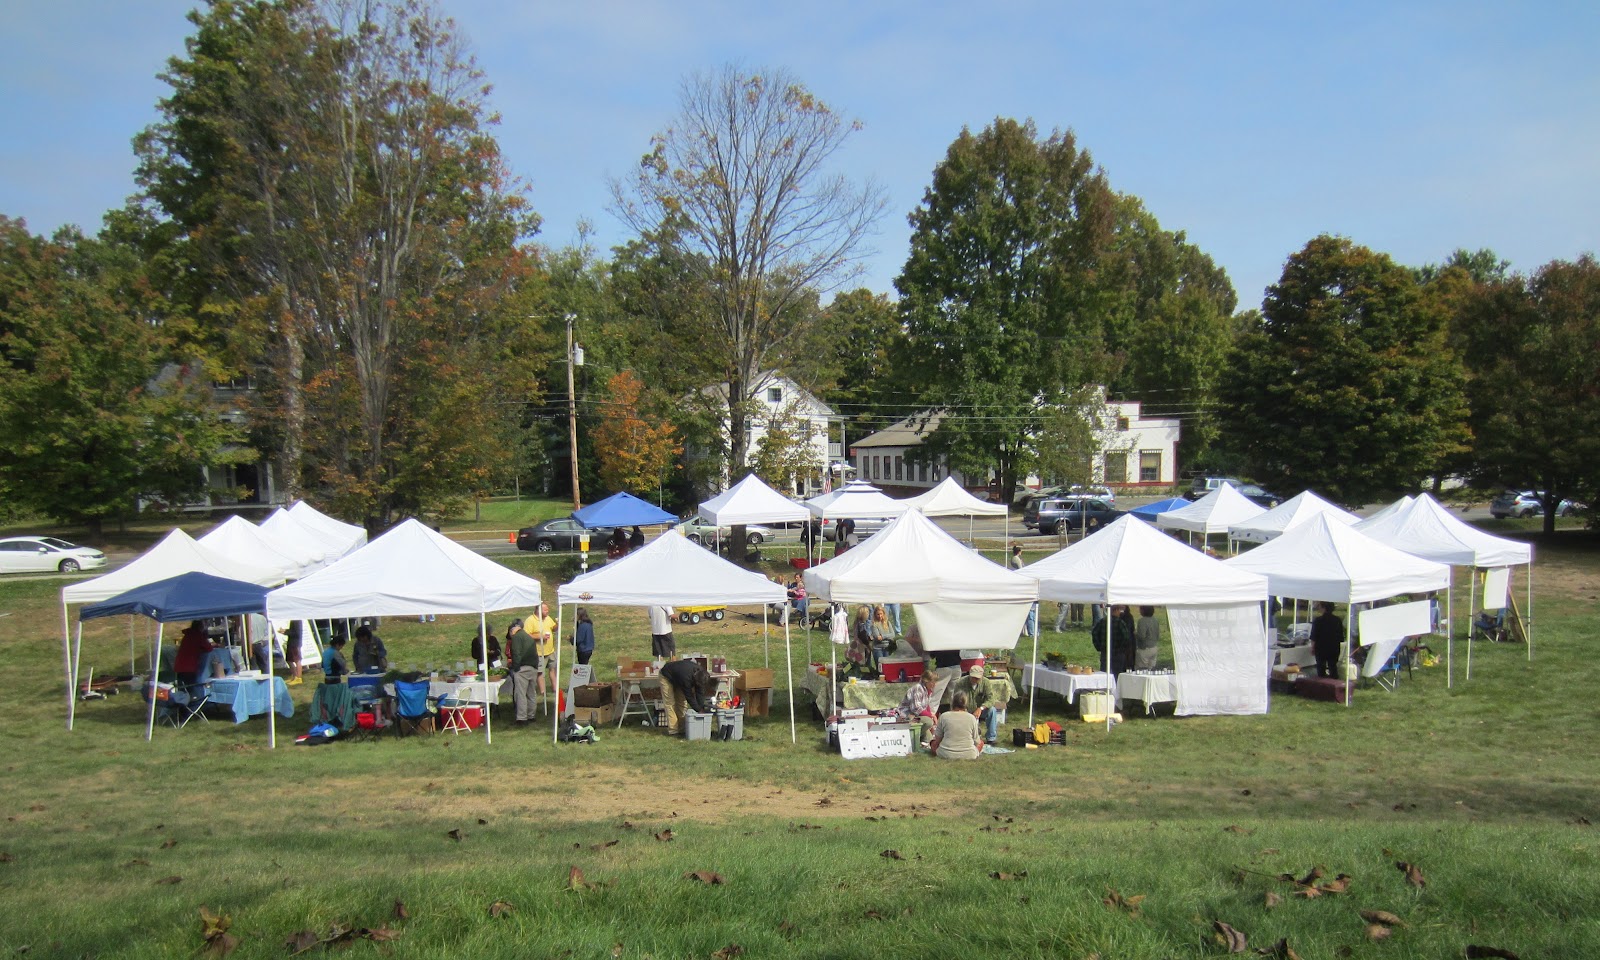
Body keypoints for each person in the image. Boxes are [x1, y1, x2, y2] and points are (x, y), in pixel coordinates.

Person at [659, 657, 714, 736]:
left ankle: (682, 728)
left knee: (681, 703)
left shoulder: (702, 676)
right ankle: (673, 731)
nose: (699, 686)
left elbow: (700, 693)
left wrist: (701, 707)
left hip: (678, 676)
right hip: (666, 676)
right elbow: (689, 696)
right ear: (695, 679)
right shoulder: (686, 678)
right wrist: (698, 710)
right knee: (670, 703)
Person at [951, 664, 1003, 744]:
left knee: (992, 710)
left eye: (977, 678)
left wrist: (981, 708)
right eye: (973, 677)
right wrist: (963, 710)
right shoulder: (960, 683)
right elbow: (956, 699)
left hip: (980, 709)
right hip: (964, 710)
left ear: (981, 676)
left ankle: (991, 738)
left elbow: (991, 699)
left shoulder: (986, 683)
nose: (975, 679)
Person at [930, 690, 984, 759]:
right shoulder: (971, 718)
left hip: (945, 753)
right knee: (981, 743)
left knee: (933, 743)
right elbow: (977, 741)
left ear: (953, 702)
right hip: (969, 754)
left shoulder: (944, 716)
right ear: (965, 703)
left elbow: (937, 739)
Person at [505, 618, 538, 723]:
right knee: (531, 693)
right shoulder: (528, 636)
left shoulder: (516, 638)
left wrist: (515, 668)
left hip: (522, 668)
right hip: (533, 667)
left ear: (513, 630)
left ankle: (522, 717)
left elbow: (516, 654)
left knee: (521, 694)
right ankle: (531, 715)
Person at [896, 671, 940, 747]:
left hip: (915, 715)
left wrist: (931, 715)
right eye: (933, 682)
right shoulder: (918, 688)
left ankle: (921, 740)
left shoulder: (927, 690)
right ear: (926, 681)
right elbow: (916, 708)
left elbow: (926, 706)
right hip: (907, 716)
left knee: (931, 740)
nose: (935, 684)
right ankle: (911, 738)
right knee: (928, 721)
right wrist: (931, 716)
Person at [531, 602, 557, 704]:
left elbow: (553, 628)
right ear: (538, 610)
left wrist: (557, 625)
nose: (547, 611)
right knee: (540, 672)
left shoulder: (548, 618)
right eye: (545, 610)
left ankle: (555, 688)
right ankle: (542, 691)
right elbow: (527, 634)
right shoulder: (531, 620)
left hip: (550, 650)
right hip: (539, 652)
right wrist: (540, 636)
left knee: (552, 669)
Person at [174, 621, 214, 686]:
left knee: (182, 688)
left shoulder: (187, 635)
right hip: (189, 667)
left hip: (180, 666)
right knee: (191, 688)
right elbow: (209, 648)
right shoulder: (198, 635)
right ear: (200, 627)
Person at [1310, 601, 1344, 679]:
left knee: (1321, 667)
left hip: (1321, 647)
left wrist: (1312, 647)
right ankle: (1334, 682)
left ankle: (1322, 683)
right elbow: (1340, 636)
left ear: (1323, 608)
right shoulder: (1337, 620)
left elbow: (1314, 636)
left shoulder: (1318, 620)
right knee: (1333, 667)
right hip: (1334, 647)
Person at [1134, 606, 1161, 671]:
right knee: (1152, 669)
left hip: (1144, 648)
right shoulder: (1155, 620)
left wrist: (1135, 634)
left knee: (1141, 669)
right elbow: (1158, 634)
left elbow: (1142, 636)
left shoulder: (1142, 621)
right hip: (1154, 647)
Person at [284, 621, 304, 685]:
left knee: (297, 660)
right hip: (291, 642)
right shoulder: (294, 620)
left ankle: (298, 678)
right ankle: (294, 676)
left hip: (295, 643)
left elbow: (296, 633)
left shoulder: (297, 620)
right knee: (289, 660)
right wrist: (286, 631)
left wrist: (285, 632)